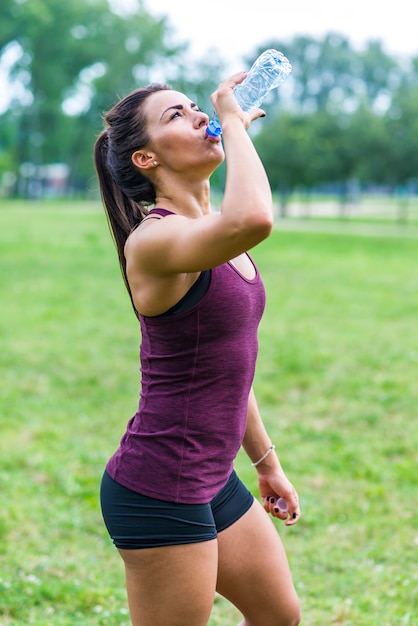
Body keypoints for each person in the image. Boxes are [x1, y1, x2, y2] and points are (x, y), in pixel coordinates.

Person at [94, 71, 301, 626]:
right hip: (160, 488)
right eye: (175, 116)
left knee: (280, 615)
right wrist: (233, 124)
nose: (196, 116)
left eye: (193, 107)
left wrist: (266, 463)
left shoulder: (209, 232)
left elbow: (229, 367)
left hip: (211, 479)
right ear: (147, 160)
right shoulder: (156, 241)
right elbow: (255, 217)